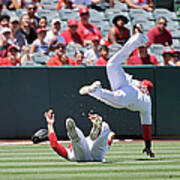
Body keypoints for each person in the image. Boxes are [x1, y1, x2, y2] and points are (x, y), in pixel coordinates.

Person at [79, 30, 155, 157]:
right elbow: (146, 126)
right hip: (132, 96)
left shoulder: (137, 82)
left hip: (126, 84)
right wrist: (148, 146)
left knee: (111, 64)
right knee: (116, 100)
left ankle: (137, 40)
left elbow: (124, 75)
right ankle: (96, 91)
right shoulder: (147, 100)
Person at [44, 109, 115, 162]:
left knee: (80, 141)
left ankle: (75, 135)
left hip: (80, 156)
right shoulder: (90, 141)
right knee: (105, 127)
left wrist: (50, 125)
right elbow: (111, 135)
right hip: (97, 156)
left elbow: (54, 145)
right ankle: (96, 128)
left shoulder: (70, 151)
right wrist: (109, 134)